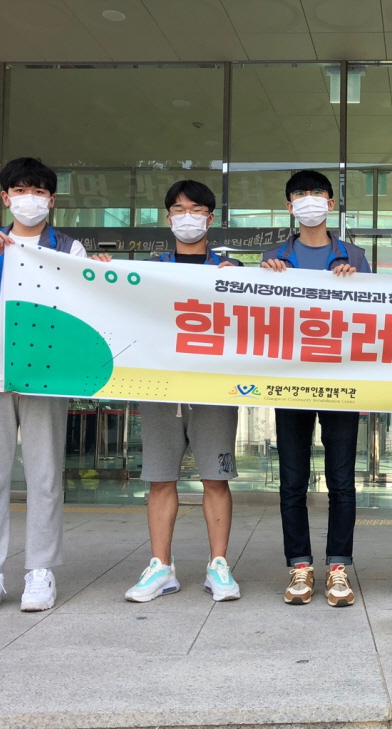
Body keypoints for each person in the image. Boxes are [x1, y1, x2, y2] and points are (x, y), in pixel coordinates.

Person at [0, 157, 109, 615]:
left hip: (45, 377)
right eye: (19, 190)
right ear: (5, 197)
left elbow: (88, 310)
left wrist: (102, 277)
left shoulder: (68, 248)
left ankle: (41, 570)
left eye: (38, 191)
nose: (29, 199)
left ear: (51, 200)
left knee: (44, 479)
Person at [125, 180, 245, 603]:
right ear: (168, 217)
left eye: (196, 210)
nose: (187, 217)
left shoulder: (231, 270)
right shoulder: (148, 270)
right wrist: (103, 274)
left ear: (210, 219)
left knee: (216, 478)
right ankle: (161, 566)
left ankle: (218, 565)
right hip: (161, 387)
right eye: (179, 209)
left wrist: (241, 284)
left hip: (214, 388)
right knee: (160, 479)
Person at [260, 169, 369, 607]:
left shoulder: (355, 256)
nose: (310, 200)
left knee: (342, 481)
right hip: (290, 382)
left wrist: (357, 281)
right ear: (290, 206)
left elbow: (377, 313)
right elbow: (256, 316)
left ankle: (338, 567)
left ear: (331, 203)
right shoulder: (274, 258)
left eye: (317, 193)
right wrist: (266, 279)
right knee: (292, 481)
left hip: (341, 382)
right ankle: (300, 566)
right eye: (301, 194)